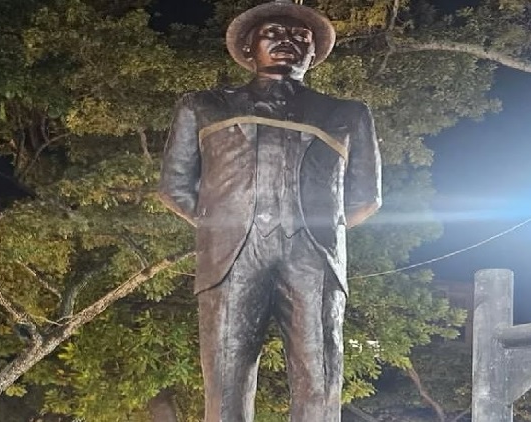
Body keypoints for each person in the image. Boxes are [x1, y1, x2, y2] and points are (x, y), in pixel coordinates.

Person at [157, 1, 382, 420]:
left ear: (313, 53)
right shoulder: (202, 105)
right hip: (230, 257)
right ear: (248, 46)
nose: (287, 41)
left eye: (301, 37)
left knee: (320, 380)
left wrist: (314, 231)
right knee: (225, 383)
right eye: (273, 33)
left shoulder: (346, 113)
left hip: (314, 256)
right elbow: (174, 187)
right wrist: (224, 226)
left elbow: (365, 197)